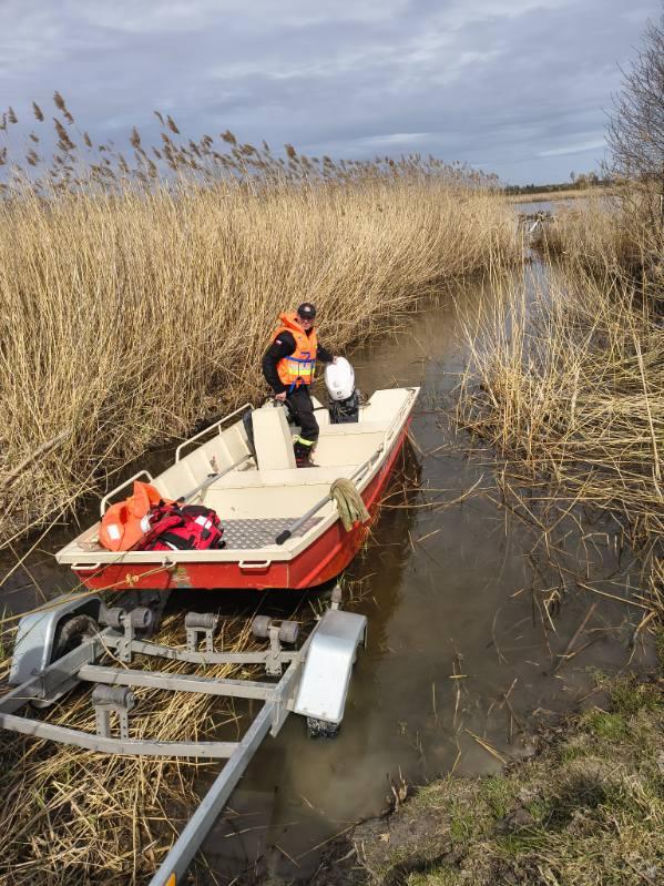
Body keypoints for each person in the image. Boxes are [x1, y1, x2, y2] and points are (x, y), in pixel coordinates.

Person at [262, 302, 335, 466]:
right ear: (298, 316)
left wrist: (331, 359)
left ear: (314, 319)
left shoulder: (309, 334)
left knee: (305, 414)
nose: (306, 321)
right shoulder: (287, 338)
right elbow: (268, 361)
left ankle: (296, 445)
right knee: (311, 429)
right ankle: (299, 458)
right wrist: (278, 388)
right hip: (289, 389)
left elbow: (316, 350)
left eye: (310, 318)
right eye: (303, 317)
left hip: (300, 387)